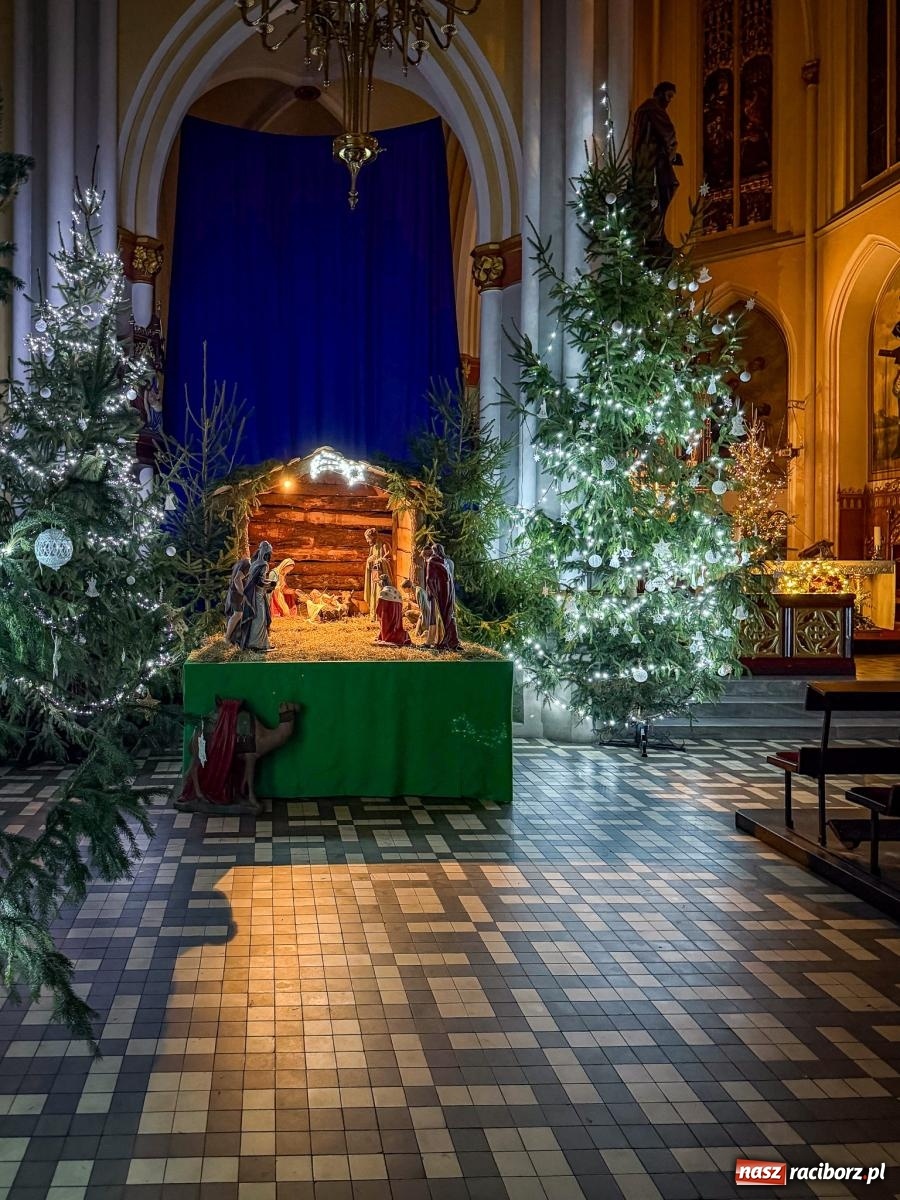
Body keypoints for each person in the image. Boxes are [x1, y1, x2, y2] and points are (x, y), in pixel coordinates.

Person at [632, 81, 682, 246]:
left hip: (645, 162)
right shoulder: (653, 109)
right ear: (659, 93)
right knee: (662, 192)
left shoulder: (644, 110)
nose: (668, 102)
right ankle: (654, 234)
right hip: (653, 162)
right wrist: (671, 153)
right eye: (668, 96)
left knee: (660, 194)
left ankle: (655, 232)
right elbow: (669, 134)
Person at [239, 540, 275, 652]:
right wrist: (271, 584)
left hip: (253, 594)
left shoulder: (254, 563)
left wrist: (267, 582)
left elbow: (255, 579)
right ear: (267, 554)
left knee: (257, 618)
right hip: (258, 595)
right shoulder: (264, 565)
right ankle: (257, 644)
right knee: (260, 619)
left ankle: (262, 643)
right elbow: (259, 582)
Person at [425, 542, 461, 651]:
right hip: (444, 592)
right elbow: (431, 579)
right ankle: (446, 640)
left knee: (443, 614)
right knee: (445, 614)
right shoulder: (443, 562)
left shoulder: (436, 561)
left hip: (443, 591)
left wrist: (431, 592)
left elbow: (429, 579)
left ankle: (446, 640)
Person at [363, 527, 392, 619]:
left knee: (380, 592)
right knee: (373, 592)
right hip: (374, 572)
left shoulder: (384, 545)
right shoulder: (373, 547)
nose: (367, 541)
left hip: (382, 573)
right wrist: (369, 561)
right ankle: (374, 615)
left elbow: (389, 558)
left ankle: (382, 615)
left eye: (368, 539)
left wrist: (379, 561)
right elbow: (371, 558)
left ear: (374, 537)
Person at [374, 573, 411, 646]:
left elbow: (380, 608)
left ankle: (387, 637)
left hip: (387, 616)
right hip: (396, 617)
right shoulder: (396, 591)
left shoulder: (384, 592)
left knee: (387, 627)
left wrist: (378, 613)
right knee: (395, 627)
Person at [224, 557, 250, 644]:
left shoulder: (241, 562)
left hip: (234, 592)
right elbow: (237, 579)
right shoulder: (247, 564)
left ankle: (235, 637)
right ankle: (227, 637)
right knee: (238, 614)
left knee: (238, 615)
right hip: (236, 594)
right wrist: (243, 594)